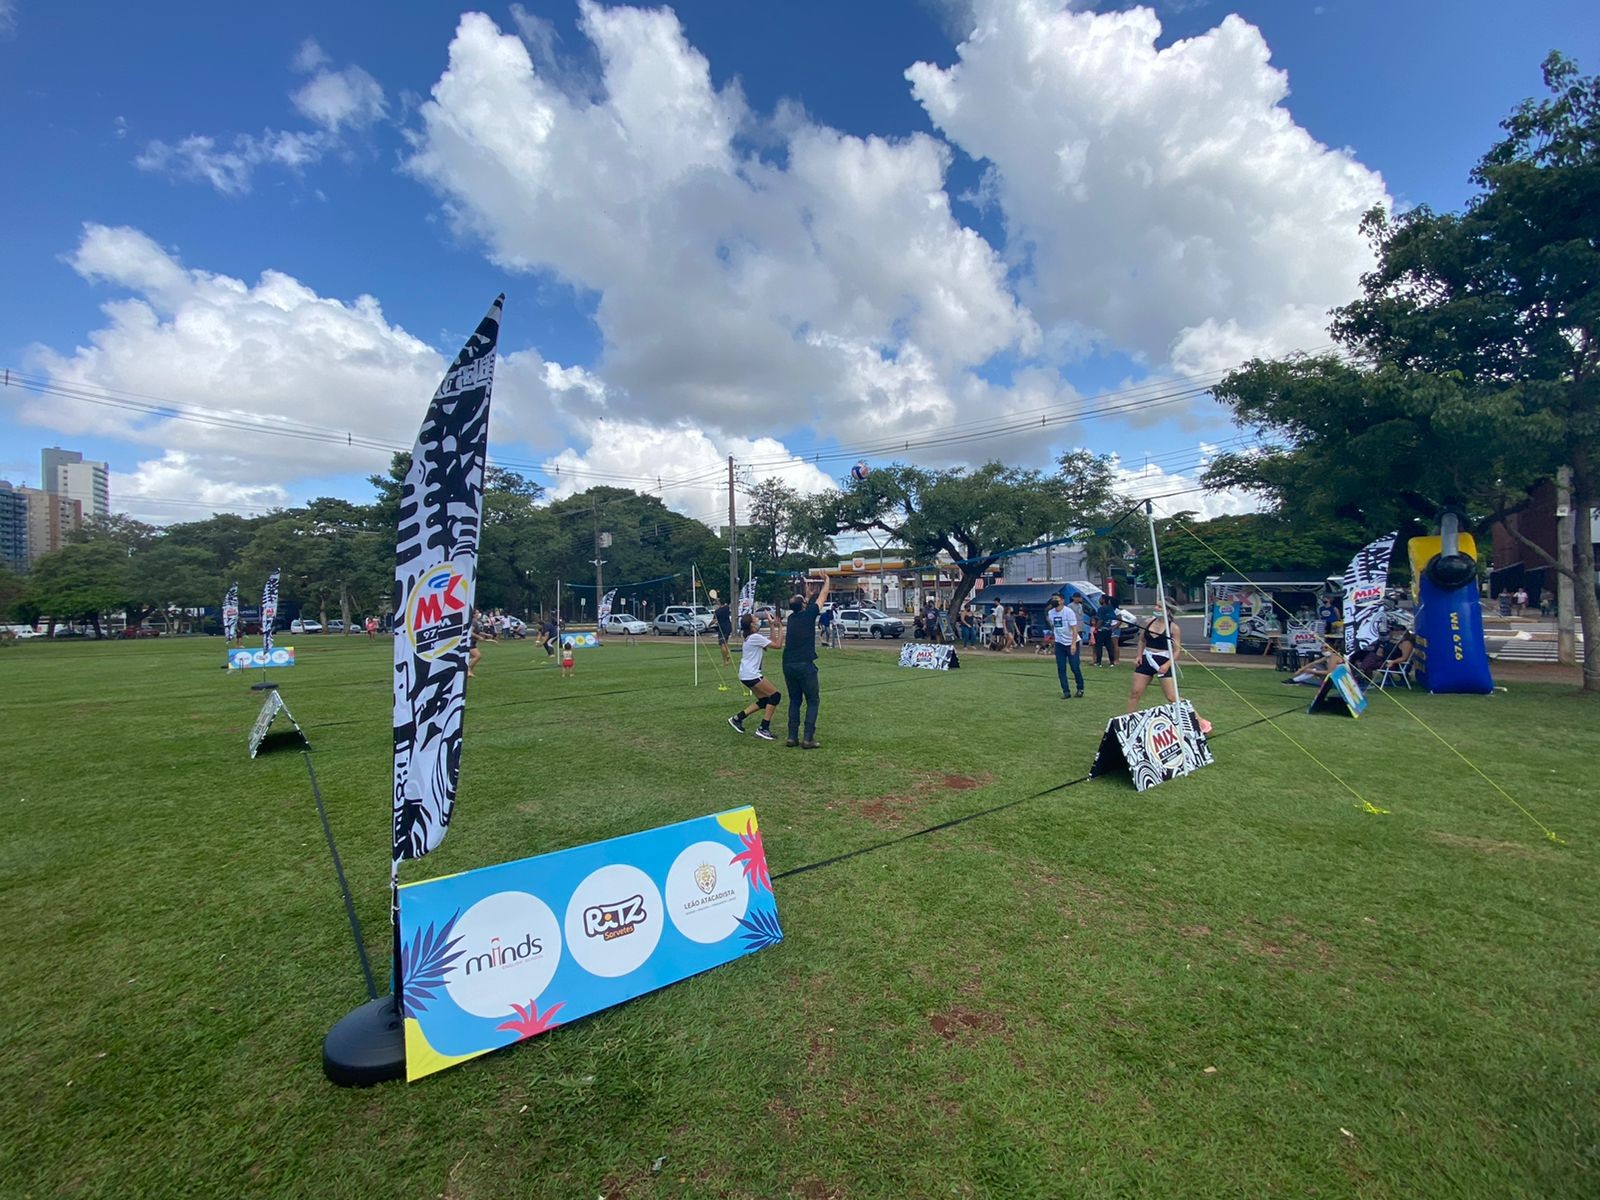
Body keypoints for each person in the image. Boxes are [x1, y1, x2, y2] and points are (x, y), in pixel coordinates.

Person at [781, 572, 830, 749]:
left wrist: (806, 597)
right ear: (803, 605)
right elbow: (823, 596)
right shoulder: (809, 615)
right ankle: (808, 738)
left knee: (795, 700)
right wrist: (827, 581)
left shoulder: (791, 618)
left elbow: (801, 606)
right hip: (804, 664)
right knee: (813, 700)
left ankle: (792, 737)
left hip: (788, 663)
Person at [729, 612, 784, 740]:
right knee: (775, 696)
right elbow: (778, 645)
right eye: (755, 619)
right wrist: (780, 627)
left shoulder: (752, 637)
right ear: (752, 624)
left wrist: (772, 626)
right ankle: (763, 729)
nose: (758, 619)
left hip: (746, 674)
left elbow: (771, 641)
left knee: (764, 701)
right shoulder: (754, 637)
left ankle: (737, 718)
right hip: (751, 674)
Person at [1127, 611, 1182, 712]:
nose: (1156, 608)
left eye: (1160, 606)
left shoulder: (1173, 628)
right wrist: (1139, 655)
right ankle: (1130, 718)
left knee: (1172, 697)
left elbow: (1177, 650)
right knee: (1135, 693)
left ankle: (1197, 717)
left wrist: (1167, 665)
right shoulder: (1148, 622)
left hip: (1163, 661)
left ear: (1167, 610)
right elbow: (1142, 640)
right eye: (1156, 605)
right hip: (1146, 659)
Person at [1046, 594, 1083, 699]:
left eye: (1056, 599)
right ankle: (1066, 691)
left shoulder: (1068, 612)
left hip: (1071, 642)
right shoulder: (1051, 613)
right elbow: (1054, 627)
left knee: (1074, 666)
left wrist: (1073, 644)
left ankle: (1080, 688)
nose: (1054, 601)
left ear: (1062, 600)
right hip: (1060, 643)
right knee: (1061, 668)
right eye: (1053, 599)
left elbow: (1074, 629)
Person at [1092, 596, 1120, 667]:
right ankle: (1112, 662)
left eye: (1100, 599)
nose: (1099, 600)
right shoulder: (1110, 608)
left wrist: (1096, 628)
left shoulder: (1101, 609)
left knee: (1099, 646)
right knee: (1109, 646)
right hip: (1108, 629)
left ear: (1103, 600)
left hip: (1101, 630)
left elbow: (1100, 620)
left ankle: (1098, 662)